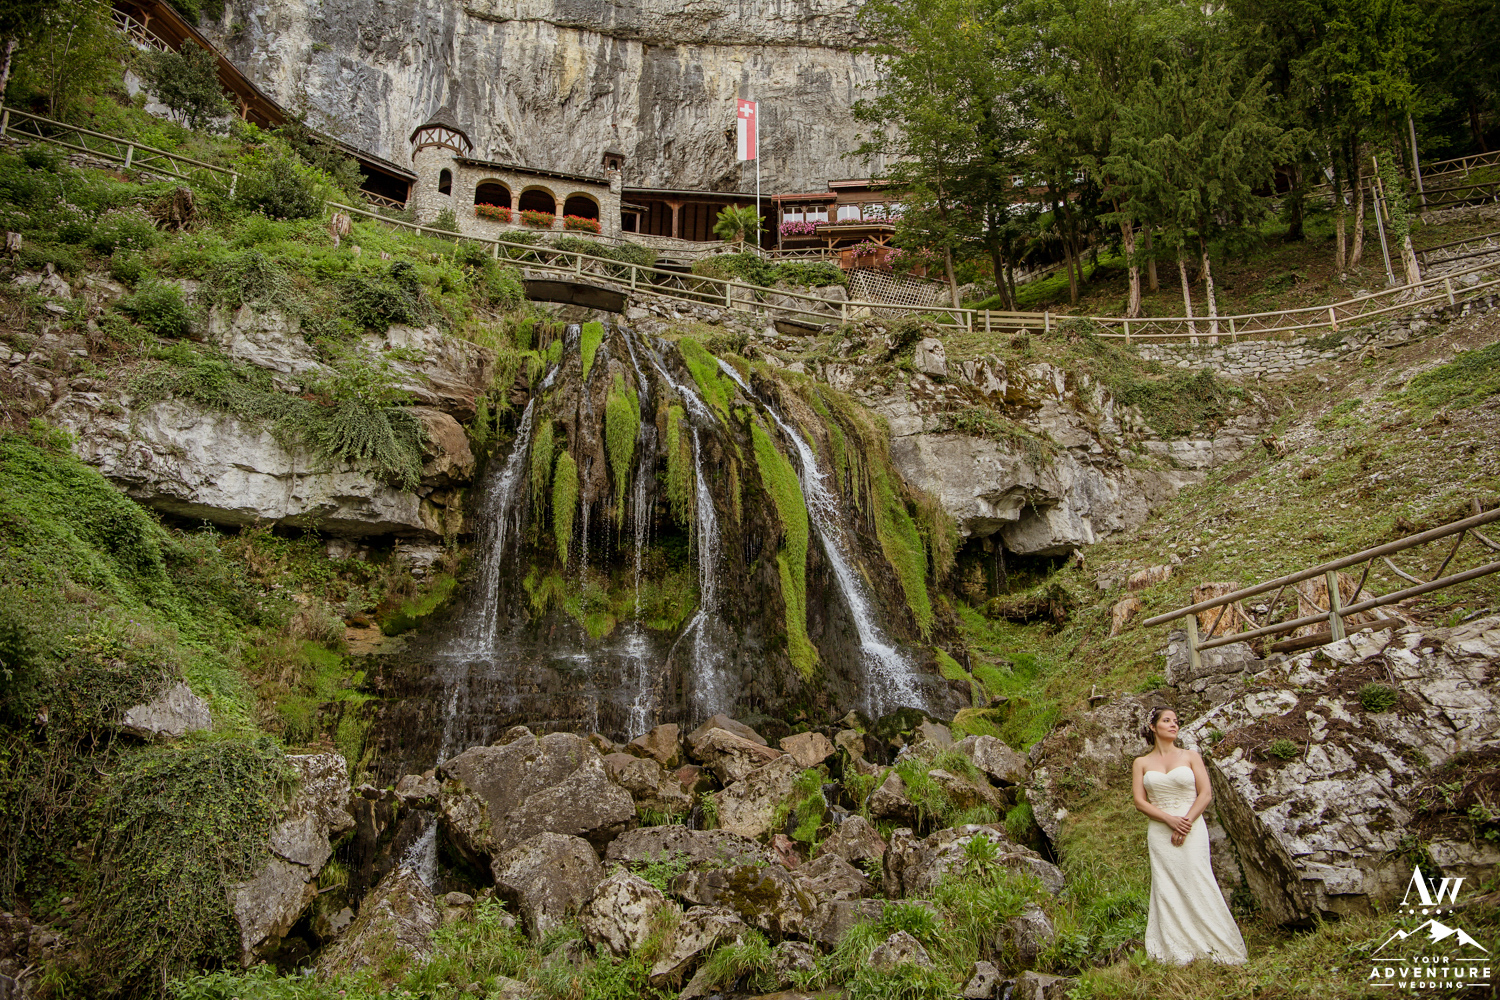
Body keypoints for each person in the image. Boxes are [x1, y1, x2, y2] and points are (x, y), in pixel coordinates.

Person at [1131, 706, 1248, 965]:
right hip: (1160, 830)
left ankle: (1217, 945)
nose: (1174, 725)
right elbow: (1140, 802)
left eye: (1176, 721)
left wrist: (1186, 822)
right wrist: (1169, 820)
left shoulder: (1191, 755)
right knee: (1166, 885)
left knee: (1198, 878)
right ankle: (1176, 948)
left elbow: (1204, 794)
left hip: (1192, 826)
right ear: (1153, 726)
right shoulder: (1141, 763)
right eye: (1167, 720)